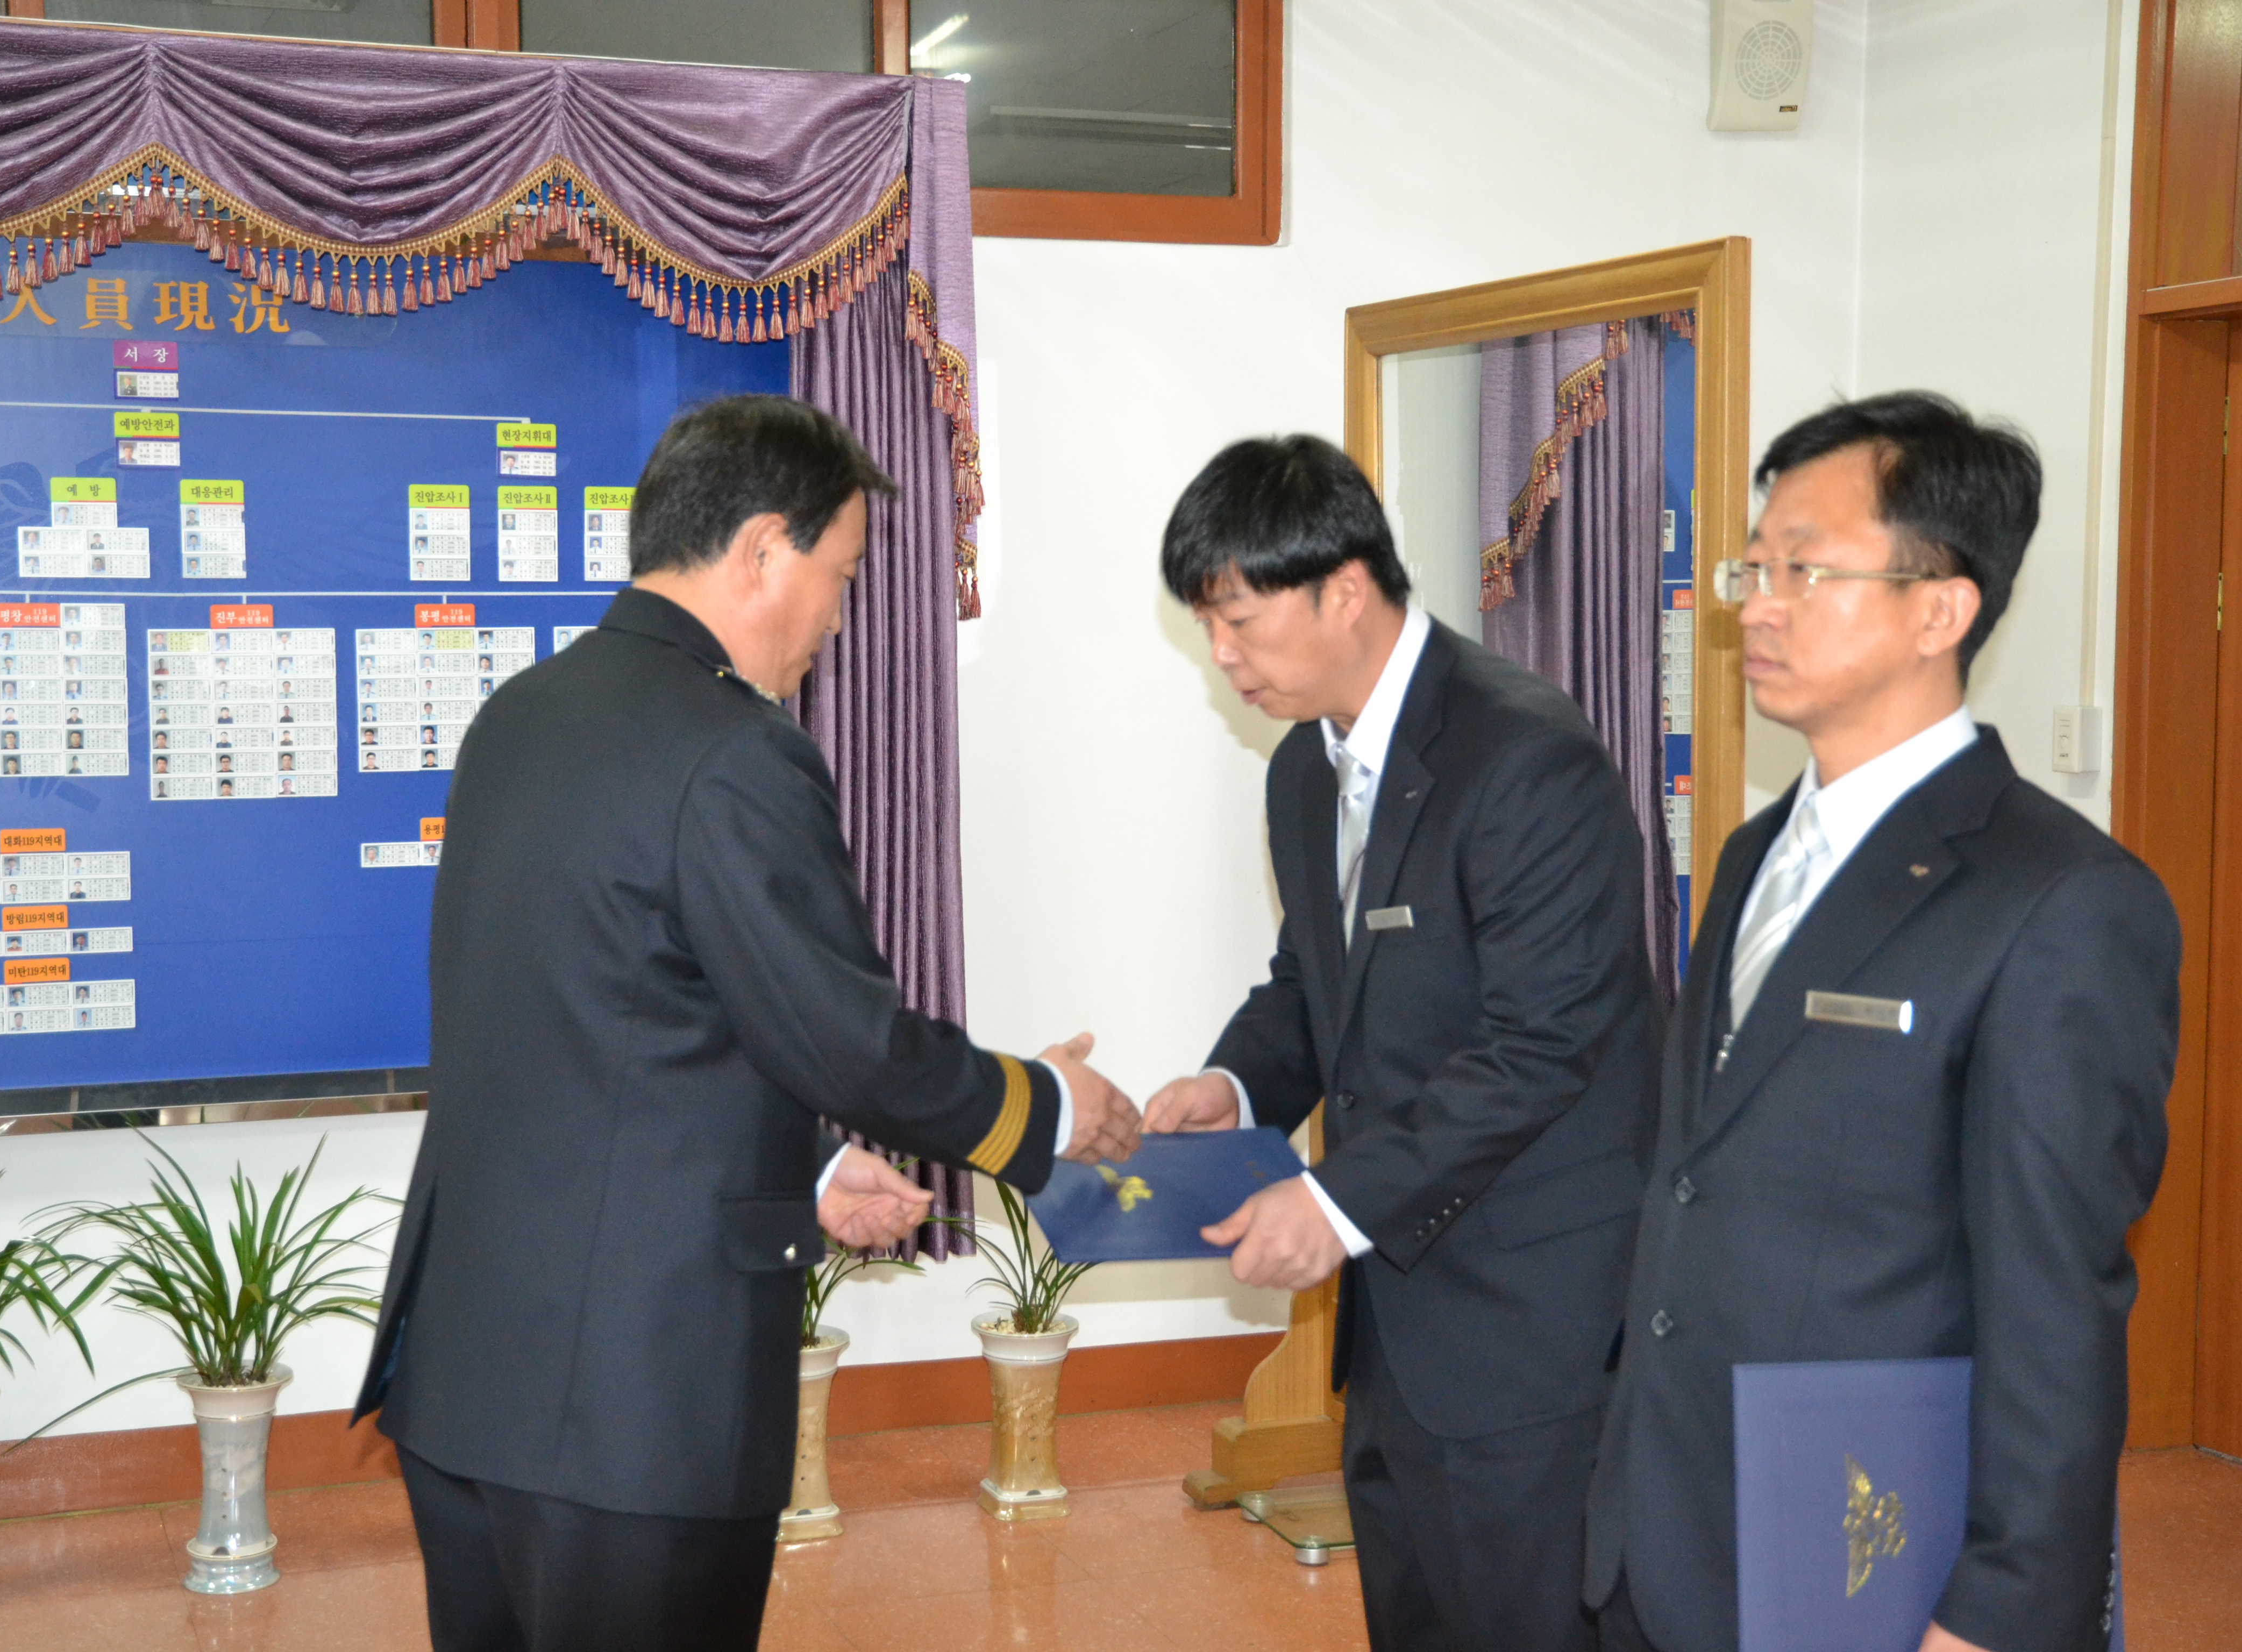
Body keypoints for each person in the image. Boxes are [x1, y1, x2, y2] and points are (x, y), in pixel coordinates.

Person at [355, 394, 1145, 1651]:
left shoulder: (524, 714)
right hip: (628, 1416)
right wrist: (1045, 1105)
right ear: (765, 549)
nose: (836, 620)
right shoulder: (733, 751)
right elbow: (852, 1045)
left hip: (468, 1386)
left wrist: (811, 1168)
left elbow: (611, 1025)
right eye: (841, 578)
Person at [1583, 394, 2181, 1652]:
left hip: (1865, 1542)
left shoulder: (2060, 901)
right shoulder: (1752, 855)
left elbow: (2057, 1304)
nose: (1758, 605)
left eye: (1804, 569)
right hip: (1671, 1513)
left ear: (1939, 611)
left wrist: (2003, 1608)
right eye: (1753, 567)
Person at [1140, 436, 1657, 1652]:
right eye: (1206, 625)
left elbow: (1542, 1044)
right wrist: (1234, 1084)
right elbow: (1316, 983)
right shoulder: (1303, 771)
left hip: (1531, 1320)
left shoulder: (1524, 757)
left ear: (1346, 591)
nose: (1222, 656)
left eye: (1238, 621)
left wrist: (1335, 1202)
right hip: (1399, 1319)